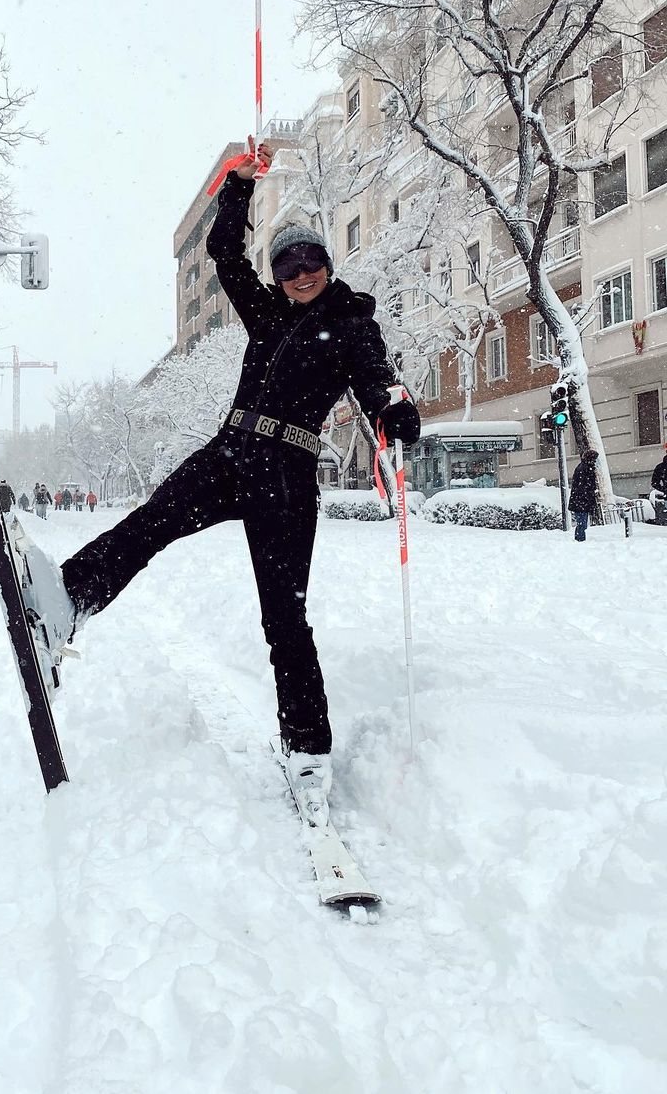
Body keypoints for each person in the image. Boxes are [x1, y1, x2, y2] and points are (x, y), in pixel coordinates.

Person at [56, 142, 420, 827]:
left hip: (286, 473)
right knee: (154, 519)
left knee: (285, 616)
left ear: (327, 264)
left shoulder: (349, 321)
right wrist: (239, 189)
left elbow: (375, 376)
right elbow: (225, 257)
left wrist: (393, 409)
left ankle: (308, 749)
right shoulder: (268, 313)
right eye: (287, 264)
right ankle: (69, 597)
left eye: (311, 261)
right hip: (231, 451)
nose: (300, 273)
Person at [569, 448, 599, 542]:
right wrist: (589, 496)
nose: (595, 462)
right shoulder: (585, 469)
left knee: (582, 523)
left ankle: (580, 539)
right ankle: (580, 540)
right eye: (594, 459)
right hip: (581, 501)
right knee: (582, 524)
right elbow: (583, 486)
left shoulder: (583, 467)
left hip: (580, 500)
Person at [650, 446, 667, 526]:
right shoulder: (661, 467)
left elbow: (654, 482)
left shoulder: (661, 467)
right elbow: (654, 482)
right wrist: (664, 490)